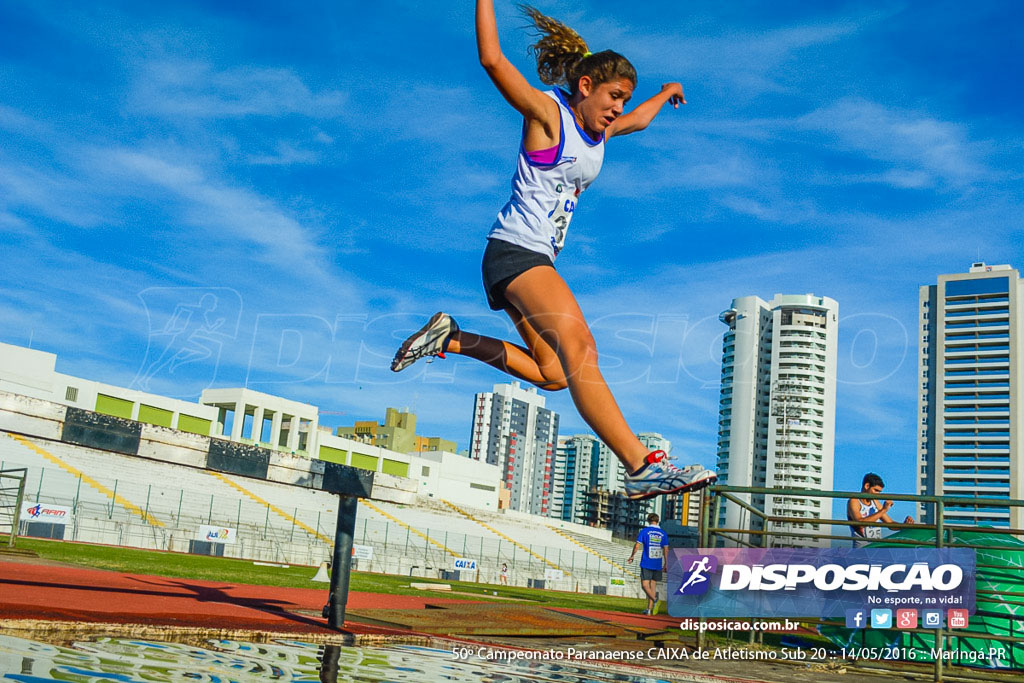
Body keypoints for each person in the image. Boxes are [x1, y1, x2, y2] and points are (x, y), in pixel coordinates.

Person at [390, 0, 716, 501]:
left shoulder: (602, 129)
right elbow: (493, 61)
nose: (618, 108)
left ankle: (452, 339)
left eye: (624, 99)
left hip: (520, 260)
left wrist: (665, 92)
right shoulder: (548, 114)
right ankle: (639, 463)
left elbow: (642, 121)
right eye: (613, 96)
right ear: (585, 86)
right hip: (518, 252)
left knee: (554, 373)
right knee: (581, 349)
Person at [848, 473, 916, 548]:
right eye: (876, 490)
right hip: (862, 549)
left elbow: (890, 524)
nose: (878, 494)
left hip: (877, 547)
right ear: (867, 486)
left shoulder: (875, 501)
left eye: (879, 492)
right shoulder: (854, 501)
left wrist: (904, 525)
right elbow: (860, 523)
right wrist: (883, 510)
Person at [627, 513, 667, 615]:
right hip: (657, 563)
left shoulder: (645, 531)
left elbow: (637, 546)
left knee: (645, 585)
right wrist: (666, 563)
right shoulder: (663, 533)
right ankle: (649, 610)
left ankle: (655, 600)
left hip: (647, 562)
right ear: (658, 521)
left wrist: (632, 556)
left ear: (648, 520)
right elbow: (666, 549)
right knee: (652, 586)